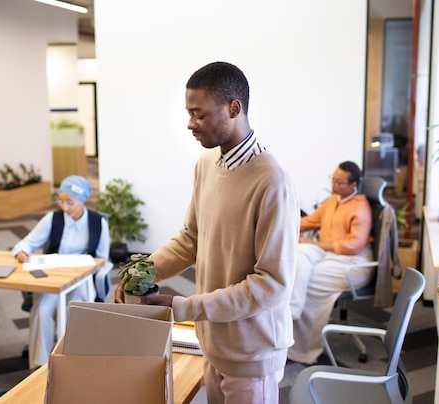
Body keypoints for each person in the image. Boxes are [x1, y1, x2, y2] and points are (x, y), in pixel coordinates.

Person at [115, 61, 300, 403]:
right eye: (188, 113)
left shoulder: (272, 181)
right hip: (212, 339)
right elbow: (191, 239)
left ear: (234, 108)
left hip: (252, 352)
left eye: (198, 114)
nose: (190, 124)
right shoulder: (206, 165)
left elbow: (271, 284)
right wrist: (140, 274)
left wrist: (182, 306)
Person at [12, 175, 111, 371]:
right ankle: (39, 366)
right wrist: (21, 252)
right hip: (53, 276)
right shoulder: (52, 218)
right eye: (61, 202)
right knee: (41, 310)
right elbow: (25, 243)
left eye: (70, 202)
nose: (65, 208)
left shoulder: (98, 223)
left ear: (81, 200)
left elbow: (103, 260)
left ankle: (73, 362)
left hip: (81, 278)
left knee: (76, 310)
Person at [287, 161, 373, 365]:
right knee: (297, 258)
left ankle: (305, 348)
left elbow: (353, 246)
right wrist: (282, 223)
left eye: (339, 182)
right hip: (328, 254)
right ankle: (293, 312)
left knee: (307, 280)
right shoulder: (333, 201)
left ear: (353, 185)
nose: (334, 185)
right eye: (332, 180)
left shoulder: (360, 208)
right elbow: (308, 222)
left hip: (352, 262)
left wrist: (314, 242)